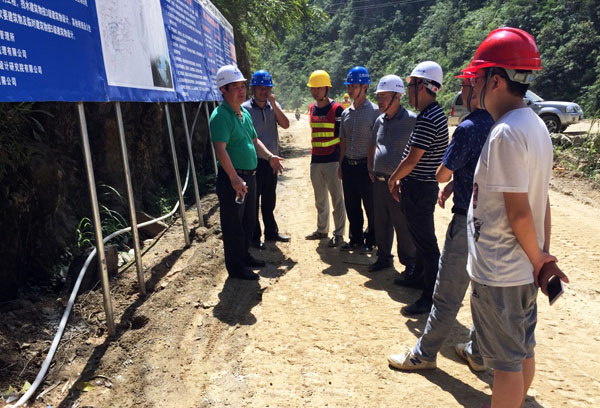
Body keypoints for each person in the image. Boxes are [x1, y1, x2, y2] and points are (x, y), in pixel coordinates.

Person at [464, 27, 568, 407]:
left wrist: (539, 258)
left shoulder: (506, 133)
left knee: (505, 367)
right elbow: (542, 202)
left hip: (500, 272)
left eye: (477, 78)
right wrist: (540, 256)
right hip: (520, 269)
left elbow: (520, 212)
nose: (473, 86)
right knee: (522, 353)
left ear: (495, 80)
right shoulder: (536, 126)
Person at [388, 69, 494, 371]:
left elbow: (440, 172)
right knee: (483, 290)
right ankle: (478, 352)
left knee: (446, 292)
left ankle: (424, 353)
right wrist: (455, 183)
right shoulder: (501, 124)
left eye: (467, 85)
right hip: (493, 217)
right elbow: (480, 169)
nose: (462, 92)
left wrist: (441, 179)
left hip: (465, 216)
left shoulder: (468, 126)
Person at [209, 65, 284, 280]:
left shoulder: (243, 113)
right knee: (233, 224)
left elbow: (254, 140)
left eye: (242, 86)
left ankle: (244, 256)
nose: (241, 91)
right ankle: (236, 268)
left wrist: (270, 157)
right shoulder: (220, 116)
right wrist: (234, 178)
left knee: (248, 221)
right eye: (235, 87)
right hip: (233, 179)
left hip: (249, 176)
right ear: (223, 90)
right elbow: (220, 149)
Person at [387, 61, 448, 315]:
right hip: (420, 187)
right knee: (420, 239)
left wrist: (393, 179)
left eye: (411, 85)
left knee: (427, 244)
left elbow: (412, 159)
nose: (408, 91)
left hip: (420, 188)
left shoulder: (428, 118)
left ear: (422, 86)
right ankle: (419, 280)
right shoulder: (432, 114)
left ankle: (429, 296)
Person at [367, 75, 417, 273]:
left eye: (384, 96)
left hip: (399, 183)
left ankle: (410, 263)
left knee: (402, 224)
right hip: (379, 181)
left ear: (397, 96)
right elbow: (372, 145)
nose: (380, 100)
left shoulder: (411, 120)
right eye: (378, 96)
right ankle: (384, 258)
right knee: (381, 222)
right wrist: (370, 167)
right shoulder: (379, 121)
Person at [241, 70, 291, 250]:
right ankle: (255, 237)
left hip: (272, 161)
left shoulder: (273, 107)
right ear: (252, 89)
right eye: (260, 88)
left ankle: (271, 232)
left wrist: (274, 105)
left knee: (269, 199)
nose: (264, 92)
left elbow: (285, 124)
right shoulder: (245, 109)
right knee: (253, 201)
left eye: (267, 88)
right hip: (254, 161)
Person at [338, 66, 379, 252]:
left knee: (371, 206)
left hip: (366, 166)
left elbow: (378, 141)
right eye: (349, 86)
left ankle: (372, 240)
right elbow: (343, 141)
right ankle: (355, 239)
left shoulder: (375, 112)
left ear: (364, 86)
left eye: (353, 86)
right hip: (349, 165)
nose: (350, 89)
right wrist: (341, 165)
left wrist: (373, 166)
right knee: (352, 205)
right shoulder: (346, 113)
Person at [305, 69, 346, 247]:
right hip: (316, 160)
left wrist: (341, 163)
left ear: (327, 89)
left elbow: (342, 138)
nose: (315, 91)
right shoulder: (311, 108)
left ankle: (339, 234)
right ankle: (322, 230)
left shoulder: (337, 109)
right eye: (313, 88)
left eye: (318, 88)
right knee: (320, 198)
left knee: (337, 199)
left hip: (332, 159)